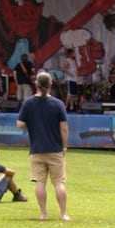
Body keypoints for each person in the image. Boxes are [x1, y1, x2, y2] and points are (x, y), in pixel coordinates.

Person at [15, 70, 70, 220]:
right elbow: (64, 128)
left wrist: (31, 123)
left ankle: (43, 213)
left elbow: (19, 124)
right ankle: (63, 214)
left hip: (37, 149)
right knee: (58, 183)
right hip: (55, 149)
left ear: (36, 84)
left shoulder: (29, 103)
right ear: (51, 84)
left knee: (40, 182)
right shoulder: (58, 104)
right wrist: (64, 147)